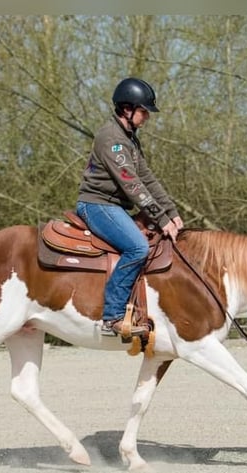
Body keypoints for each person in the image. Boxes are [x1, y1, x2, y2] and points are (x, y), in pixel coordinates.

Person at [76, 77, 184, 337]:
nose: (147, 117)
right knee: (137, 247)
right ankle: (112, 316)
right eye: (144, 111)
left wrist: (172, 212)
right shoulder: (112, 140)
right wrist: (160, 218)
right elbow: (132, 186)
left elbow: (147, 178)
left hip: (115, 206)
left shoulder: (129, 139)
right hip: (98, 205)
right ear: (127, 109)